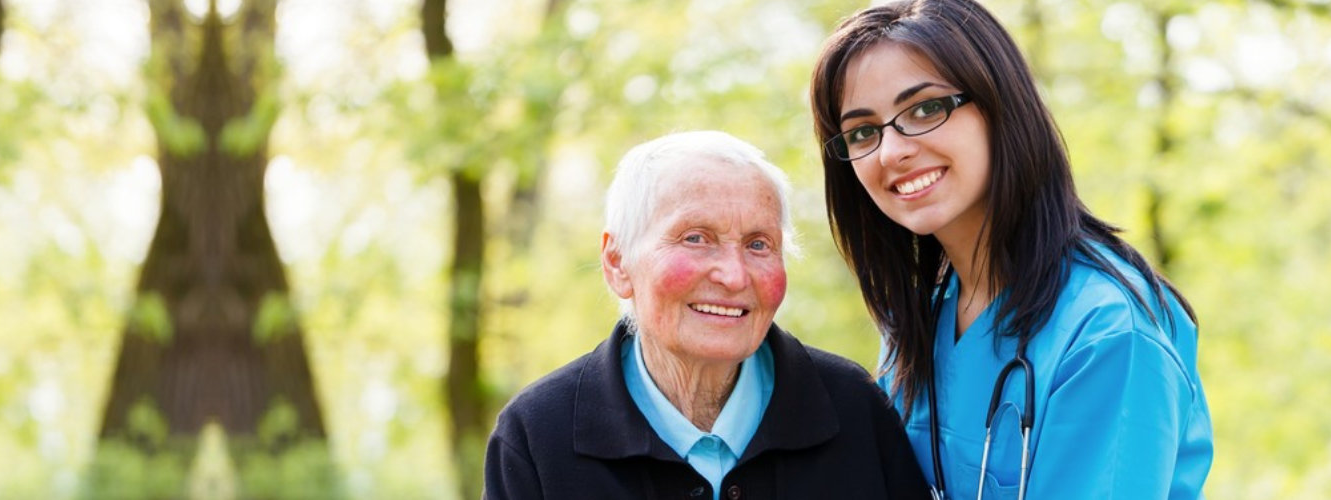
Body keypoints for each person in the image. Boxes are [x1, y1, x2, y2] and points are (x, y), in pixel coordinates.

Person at [809, 1, 1214, 498]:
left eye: (925, 108)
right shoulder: (917, 324)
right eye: (863, 132)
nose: (892, 152)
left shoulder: (1107, 332)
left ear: (1000, 105)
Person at [484, 131, 929, 499]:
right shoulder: (537, 436)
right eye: (696, 238)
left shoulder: (853, 408)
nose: (735, 276)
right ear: (617, 264)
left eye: (758, 244)